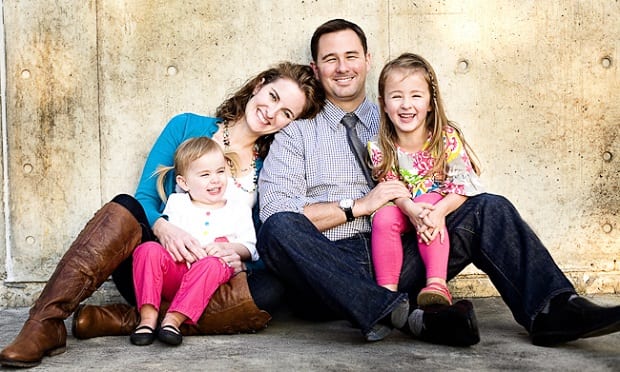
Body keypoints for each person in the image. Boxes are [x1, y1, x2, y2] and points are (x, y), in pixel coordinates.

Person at [257, 18, 620, 346]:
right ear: (315, 67)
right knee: (277, 227)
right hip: (330, 267)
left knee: (490, 207)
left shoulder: (403, 111)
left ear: (367, 60)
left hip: (408, 252)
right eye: (330, 58)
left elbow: (455, 180)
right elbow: (278, 213)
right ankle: (400, 313)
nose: (342, 67)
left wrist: (433, 212)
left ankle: (554, 309)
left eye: (350, 56)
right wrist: (359, 206)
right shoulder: (296, 134)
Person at [0, 62, 324, 368]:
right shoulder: (186, 126)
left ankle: (130, 319)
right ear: (259, 85)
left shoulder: (271, 166)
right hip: (155, 266)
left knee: (272, 291)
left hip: (212, 278)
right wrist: (163, 228)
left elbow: (262, 236)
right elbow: (145, 196)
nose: (271, 113)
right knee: (126, 204)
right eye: (273, 96)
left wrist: (241, 258)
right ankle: (43, 323)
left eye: (286, 113)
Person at [367, 53, 484, 308]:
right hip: (402, 207)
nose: (406, 104)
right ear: (383, 104)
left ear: (430, 102)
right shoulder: (379, 146)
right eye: (396, 96)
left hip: (437, 207)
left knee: (430, 205)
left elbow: (464, 184)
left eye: (416, 96)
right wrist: (410, 209)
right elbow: (390, 187)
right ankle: (385, 293)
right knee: (383, 218)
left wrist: (438, 211)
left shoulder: (446, 138)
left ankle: (436, 284)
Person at [130, 137, 258, 347]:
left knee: (213, 263)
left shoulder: (238, 209)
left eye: (220, 171)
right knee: (147, 249)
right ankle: (148, 318)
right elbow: (167, 243)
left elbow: (251, 248)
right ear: (183, 183)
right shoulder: (176, 202)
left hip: (209, 278)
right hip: (177, 271)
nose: (215, 180)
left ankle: (173, 321)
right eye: (205, 175)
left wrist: (230, 248)